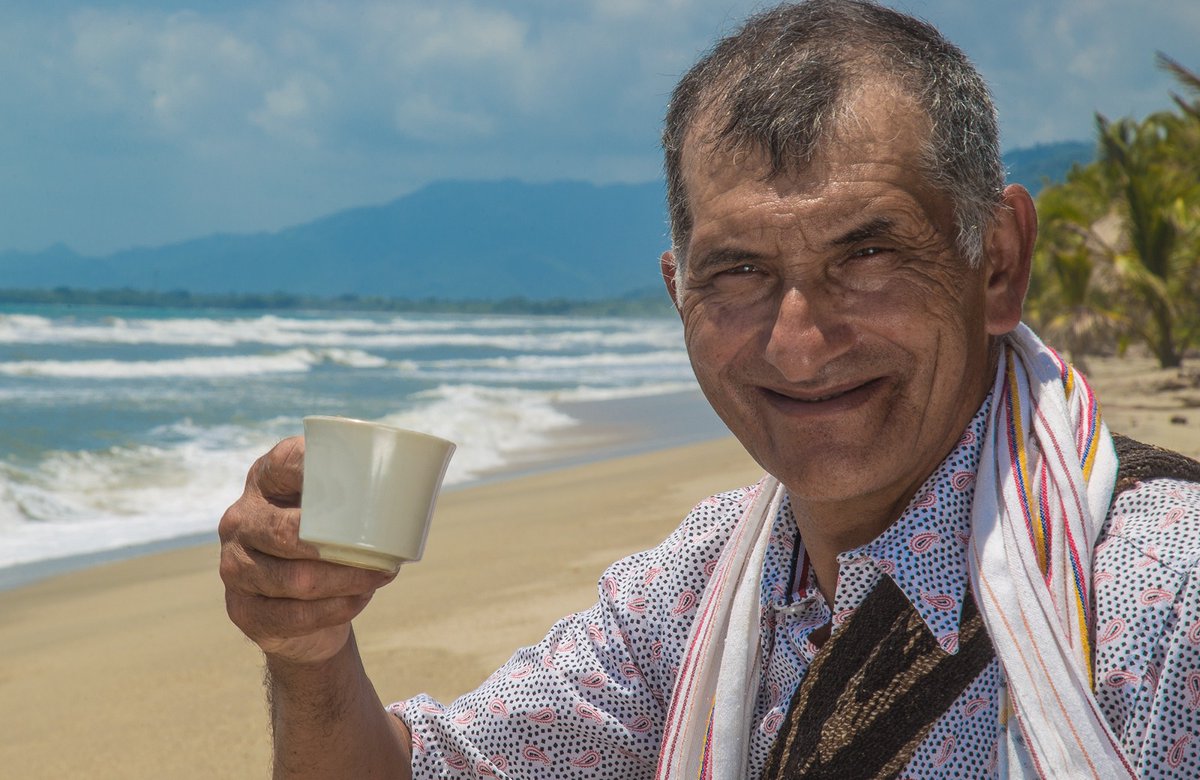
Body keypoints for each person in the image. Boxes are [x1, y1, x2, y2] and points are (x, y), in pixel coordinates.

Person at [219, 1, 1200, 777]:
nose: (800, 343)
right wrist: (310, 653)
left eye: (867, 254)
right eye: (738, 272)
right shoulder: (699, 592)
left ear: (997, 264)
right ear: (676, 290)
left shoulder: (1164, 603)